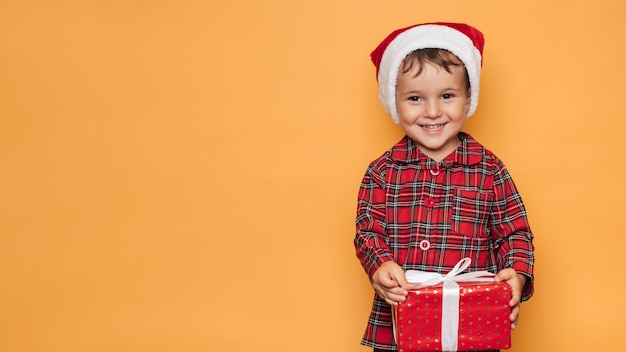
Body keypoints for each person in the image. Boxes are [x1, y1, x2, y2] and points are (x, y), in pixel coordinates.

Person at [354, 22, 535, 351]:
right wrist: (379, 264)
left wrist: (516, 273)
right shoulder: (381, 171)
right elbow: (368, 231)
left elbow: (515, 232)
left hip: (472, 320)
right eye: (415, 98)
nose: (433, 111)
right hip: (401, 320)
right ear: (395, 102)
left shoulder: (489, 170)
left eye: (447, 96)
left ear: (468, 99)